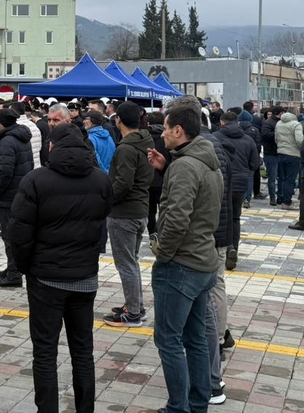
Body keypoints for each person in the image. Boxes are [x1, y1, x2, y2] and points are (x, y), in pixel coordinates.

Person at [10, 124, 110, 413]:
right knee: (83, 351)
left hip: (46, 279)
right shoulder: (101, 181)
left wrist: (27, 268)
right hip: (85, 277)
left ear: (51, 147)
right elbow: (101, 222)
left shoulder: (36, 180)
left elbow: (19, 233)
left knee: (44, 352)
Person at [147, 105, 222, 413]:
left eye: (165, 128)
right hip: (204, 259)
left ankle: (178, 407)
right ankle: (197, 403)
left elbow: (177, 218)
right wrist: (168, 169)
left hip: (181, 264)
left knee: (168, 339)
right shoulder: (204, 161)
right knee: (195, 339)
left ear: (179, 131)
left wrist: (163, 252)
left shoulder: (186, 167)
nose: (162, 133)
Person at [102, 102, 155, 326]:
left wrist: (107, 200)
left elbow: (123, 183)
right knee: (131, 261)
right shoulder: (145, 141)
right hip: (140, 208)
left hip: (124, 213)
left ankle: (133, 312)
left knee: (126, 264)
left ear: (118, 120)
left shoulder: (126, 148)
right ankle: (136, 305)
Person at [0, 108, 33, 288]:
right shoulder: (21, 137)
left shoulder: (7, 141)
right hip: (20, 192)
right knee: (14, 234)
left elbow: (5, 172)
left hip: (9, 196)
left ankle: (14, 273)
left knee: (9, 236)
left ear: (2, 122)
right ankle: (12, 268)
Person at [217, 111, 260, 270]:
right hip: (240, 182)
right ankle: (233, 248)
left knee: (220, 216)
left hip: (222, 181)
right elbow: (255, 163)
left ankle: (222, 249)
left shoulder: (216, 137)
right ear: (238, 122)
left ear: (221, 122)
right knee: (235, 217)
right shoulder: (248, 139)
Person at [274, 108, 304, 209]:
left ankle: (280, 199)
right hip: (293, 154)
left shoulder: (279, 123)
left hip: (281, 152)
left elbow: (276, 138)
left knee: (282, 178)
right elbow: (300, 140)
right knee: (290, 180)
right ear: (295, 113)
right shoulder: (296, 124)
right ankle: (287, 202)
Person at [261, 107, 282, 205]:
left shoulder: (279, 123)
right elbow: (265, 135)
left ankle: (277, 197)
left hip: (276, 152)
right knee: (274, 177)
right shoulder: (269, 123)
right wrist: (278, 133)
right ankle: (274, 197)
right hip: (272, 152)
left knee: (277, 177)